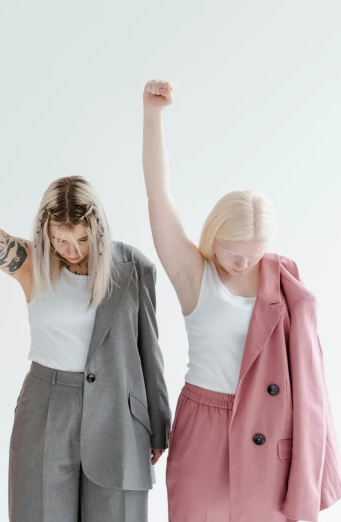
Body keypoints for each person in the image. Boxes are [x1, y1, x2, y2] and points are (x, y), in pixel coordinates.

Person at [0, 125, 171, 521]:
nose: (71, 251)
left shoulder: (131, 268)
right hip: (46, 407)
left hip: (119, 414)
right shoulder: (33, 265)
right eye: (60, 239)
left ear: (98, 229)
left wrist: (159, 423)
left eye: (81, 239)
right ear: (45, 233)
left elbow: (150, 349)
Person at [142, 79, 341, 521]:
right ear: (215, 236)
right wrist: (153, 118)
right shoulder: (194, 275)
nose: (244, 262)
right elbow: (159, 197)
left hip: (271, 427)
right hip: (204, 417)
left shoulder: (283, 282)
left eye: (255, 253)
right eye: (234, 252)